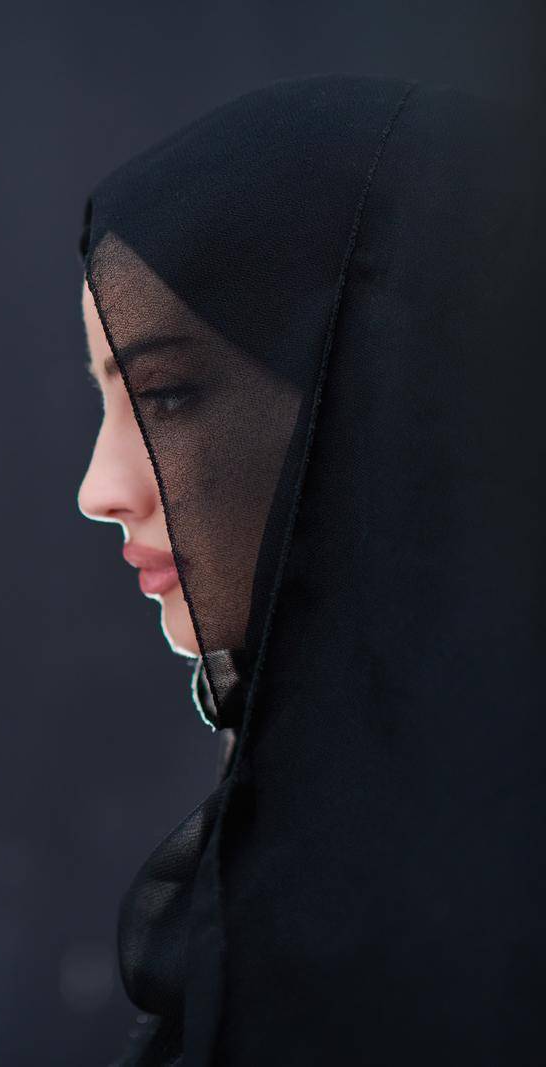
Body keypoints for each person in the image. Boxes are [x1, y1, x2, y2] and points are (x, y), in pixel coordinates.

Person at [72, 74, 546, 1064]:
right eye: (106, 400)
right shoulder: (309, 843)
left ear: (388, 386)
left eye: (162, 394)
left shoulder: (478, 901)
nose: (100, 486)